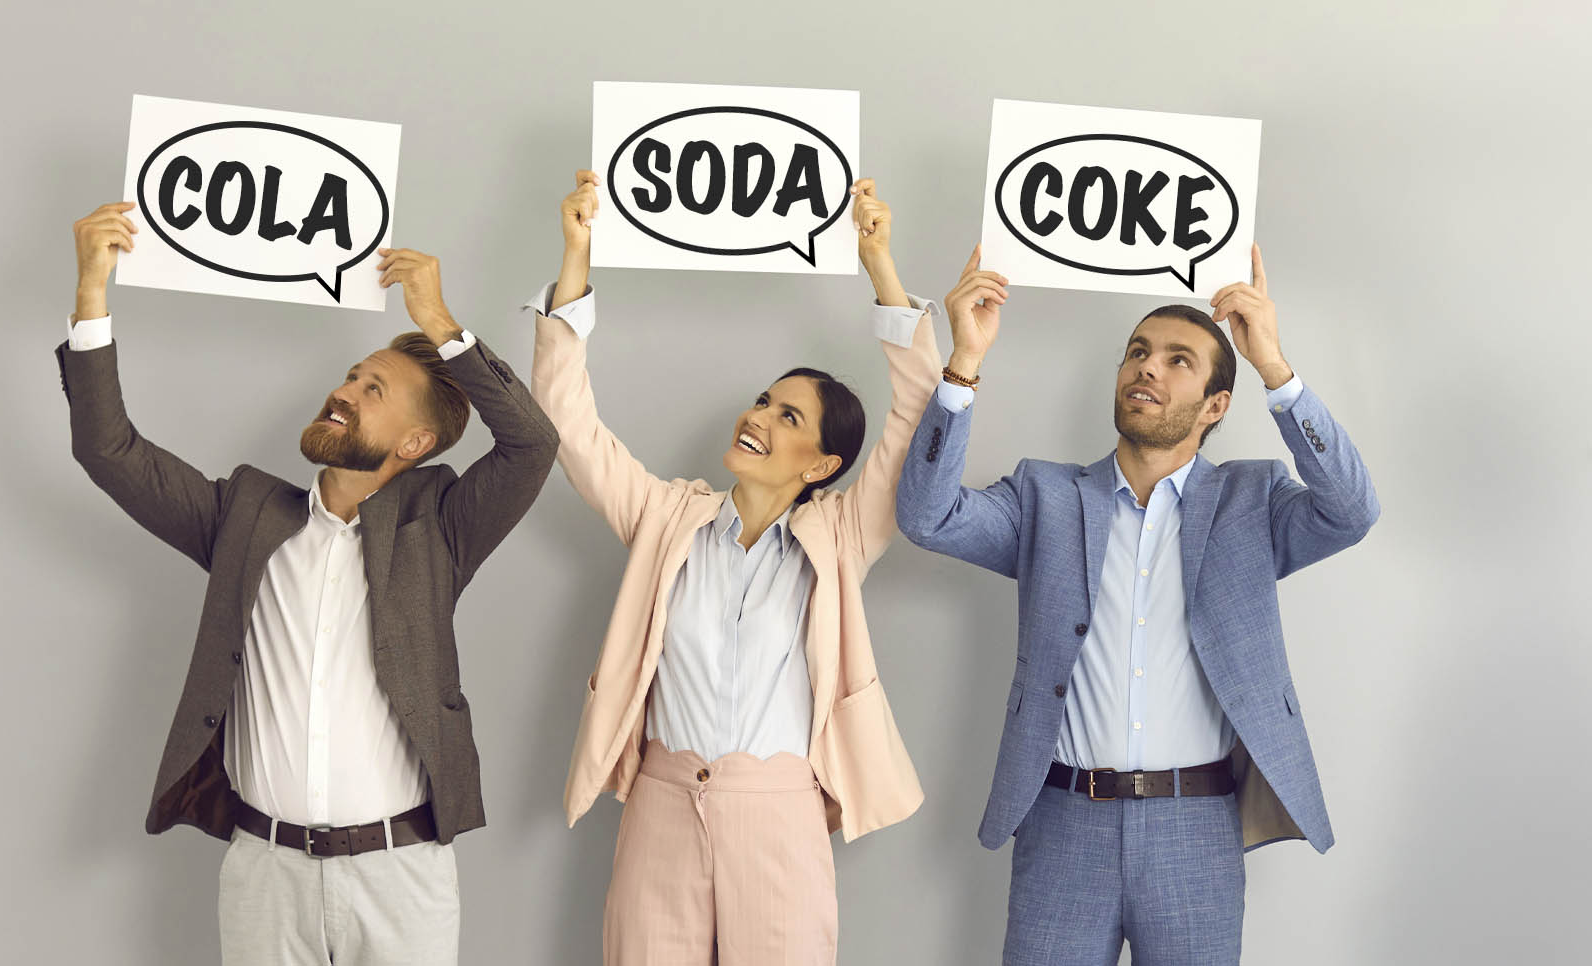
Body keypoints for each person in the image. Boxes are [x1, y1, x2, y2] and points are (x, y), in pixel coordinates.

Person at [58, 201, 559, 965]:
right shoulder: (244, 517)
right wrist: (92, 291)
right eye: (351, 377)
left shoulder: (441, 526)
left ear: (416, 443)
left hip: (403, 877)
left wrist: (441, 322)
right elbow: (109, 449)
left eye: (373, 392)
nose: (345, 393)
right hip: (265, 874)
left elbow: (531, 444)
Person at [895, 245, 1379, 965]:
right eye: (1137, 352)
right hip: (1061, 823)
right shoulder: (1044, 496)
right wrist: (963, 364)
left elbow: (1350, 510)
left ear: (1216, 404)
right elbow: (926, 517)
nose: (1147, 367)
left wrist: (1274, 368)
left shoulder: (1252, 500)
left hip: (1196, 829)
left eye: (1177, 359)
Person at [530, 172, 938, 965]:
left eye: (788, 416)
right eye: (762, 400)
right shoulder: (664, 518)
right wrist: (576, 256)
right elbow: (567, 423)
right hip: (660, 803)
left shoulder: (843, 533)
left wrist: (880, 266)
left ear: (821, 464)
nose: (757, 416)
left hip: (778, 814)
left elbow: (918, 420)